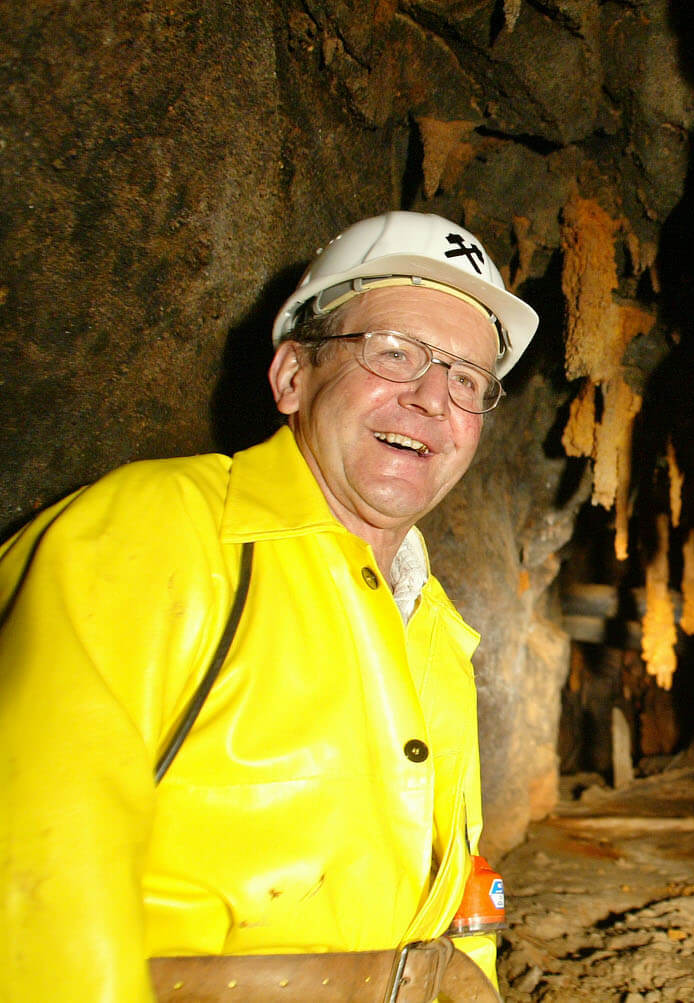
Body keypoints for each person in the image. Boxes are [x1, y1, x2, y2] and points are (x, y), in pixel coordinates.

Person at [0, 210, 537, 1001]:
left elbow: (456, 896)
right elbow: (33, 885)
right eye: (393, 352)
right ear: (292, 376)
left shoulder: (436, 635)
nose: (432, 398)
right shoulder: (151, 539)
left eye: (467, 379)